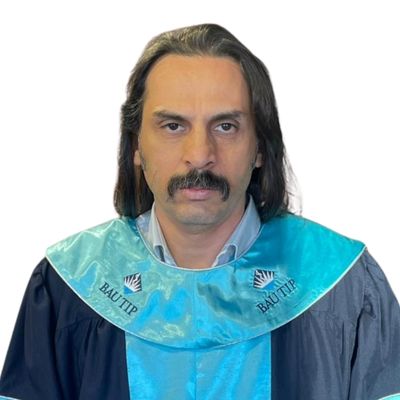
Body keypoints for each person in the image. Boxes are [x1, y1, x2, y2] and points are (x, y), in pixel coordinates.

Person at [0, 23, 399, 400]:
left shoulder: (341, 285)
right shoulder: (70, 285)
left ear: (260, 147)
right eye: (173, 126)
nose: (199, 155)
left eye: (225, 126)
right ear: (136, 145)